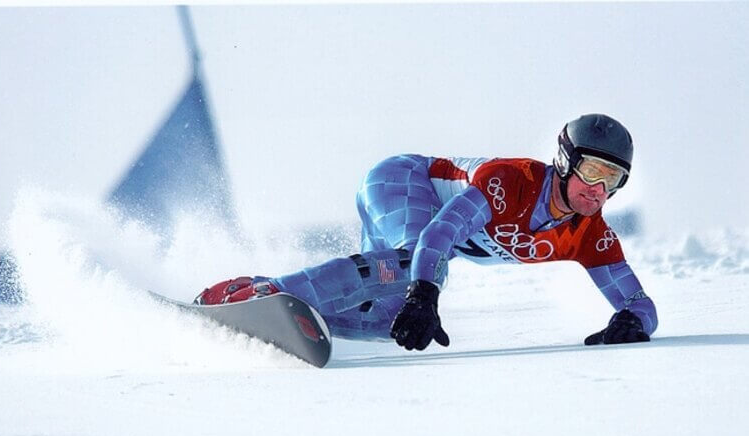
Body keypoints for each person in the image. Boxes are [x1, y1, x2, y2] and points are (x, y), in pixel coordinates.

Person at [196, 114, 658, 351]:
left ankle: (290, 321)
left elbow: (640, 302)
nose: (598, 190)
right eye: (593, 170)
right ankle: (258, 292)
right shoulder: (512, 182)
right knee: (406, 267)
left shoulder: (588, 234)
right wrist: (425, 294)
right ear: (565, 160)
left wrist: (632, 323)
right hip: (400, 181)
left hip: (419, 234)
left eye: (613, 179)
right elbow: (441, 234)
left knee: (387, 320)